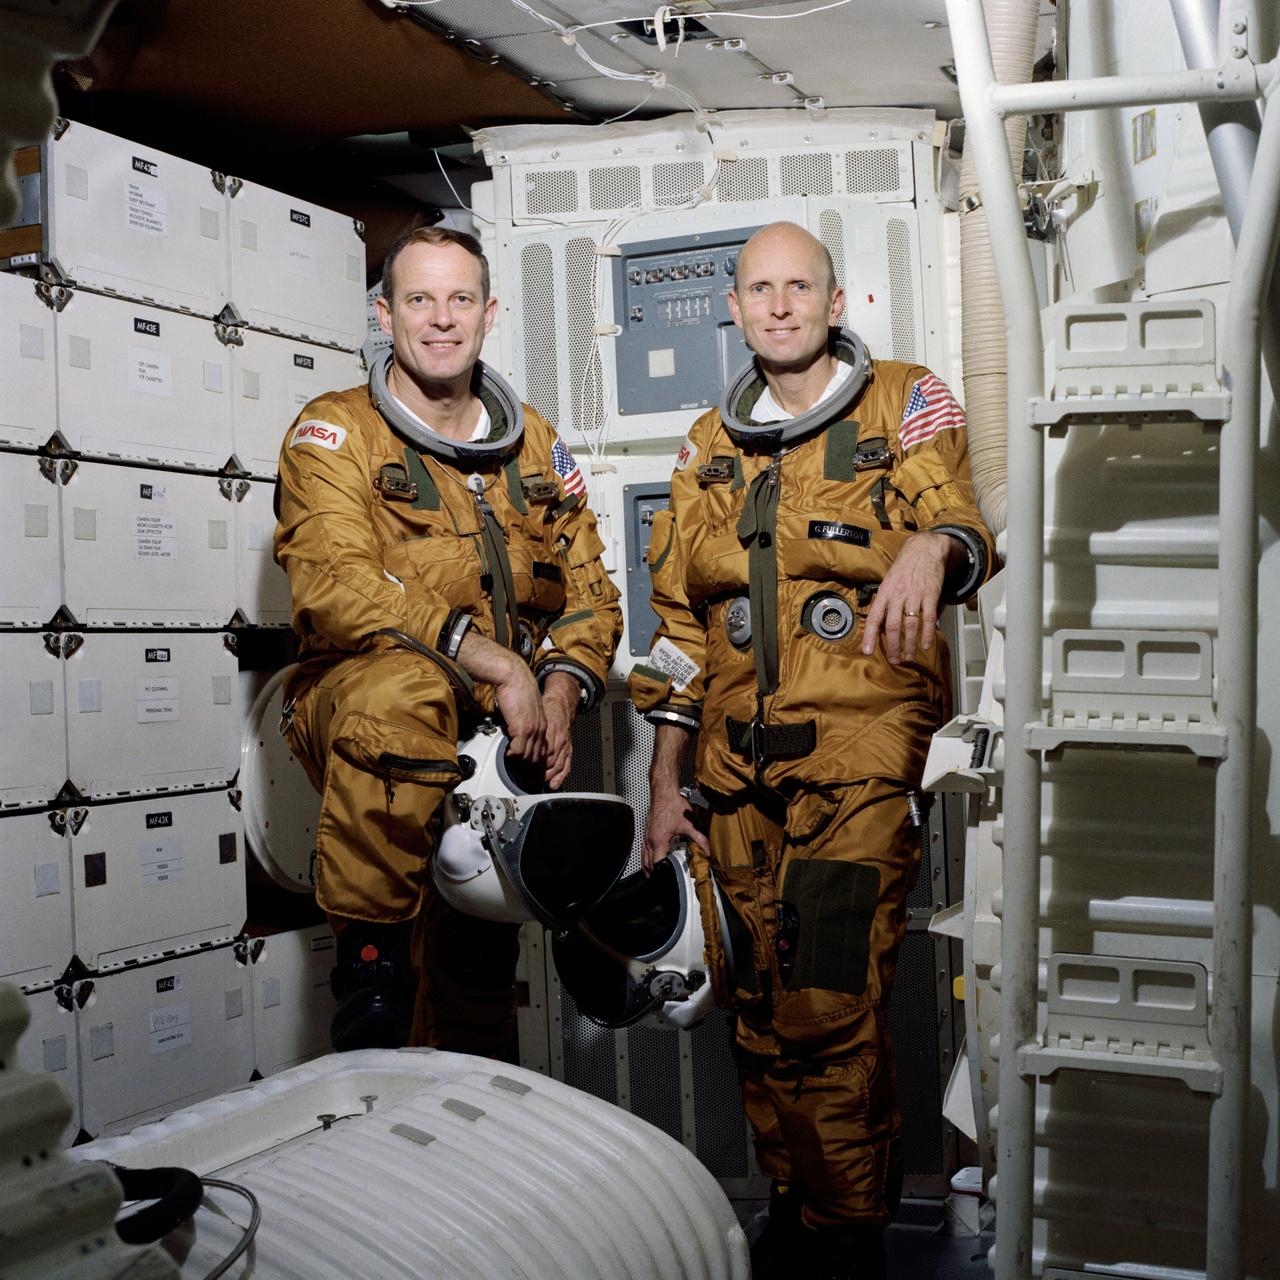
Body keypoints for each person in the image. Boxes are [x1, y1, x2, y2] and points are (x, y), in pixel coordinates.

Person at [629, 222, 994, 1279]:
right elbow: (678, 628)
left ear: (836, 304)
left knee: (826, 1004)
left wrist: (933, 545)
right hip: (733, 775)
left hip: (856, 764)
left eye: (800, 287)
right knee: (755, 1004)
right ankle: (799, 1212)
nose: (780, 305)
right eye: (760, 289)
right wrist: (664, 781)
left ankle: (842, 1241)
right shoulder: (707, 445)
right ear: (734, 309)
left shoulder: (904, 402)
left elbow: (959, 517)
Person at [274, 225, 621, 1056]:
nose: (441, 319)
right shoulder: (336, 433)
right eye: (419, 299)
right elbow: (335, 583)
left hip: (494, 739)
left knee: (471, 991)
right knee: (404, 690)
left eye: (460, 299)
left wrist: (557, 696)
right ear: (384, 315)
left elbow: (590, 597)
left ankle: (467, 1089)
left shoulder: (533, 445)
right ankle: (371, 969)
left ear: (488, 313)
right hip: (364, 711)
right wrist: (498, 664)